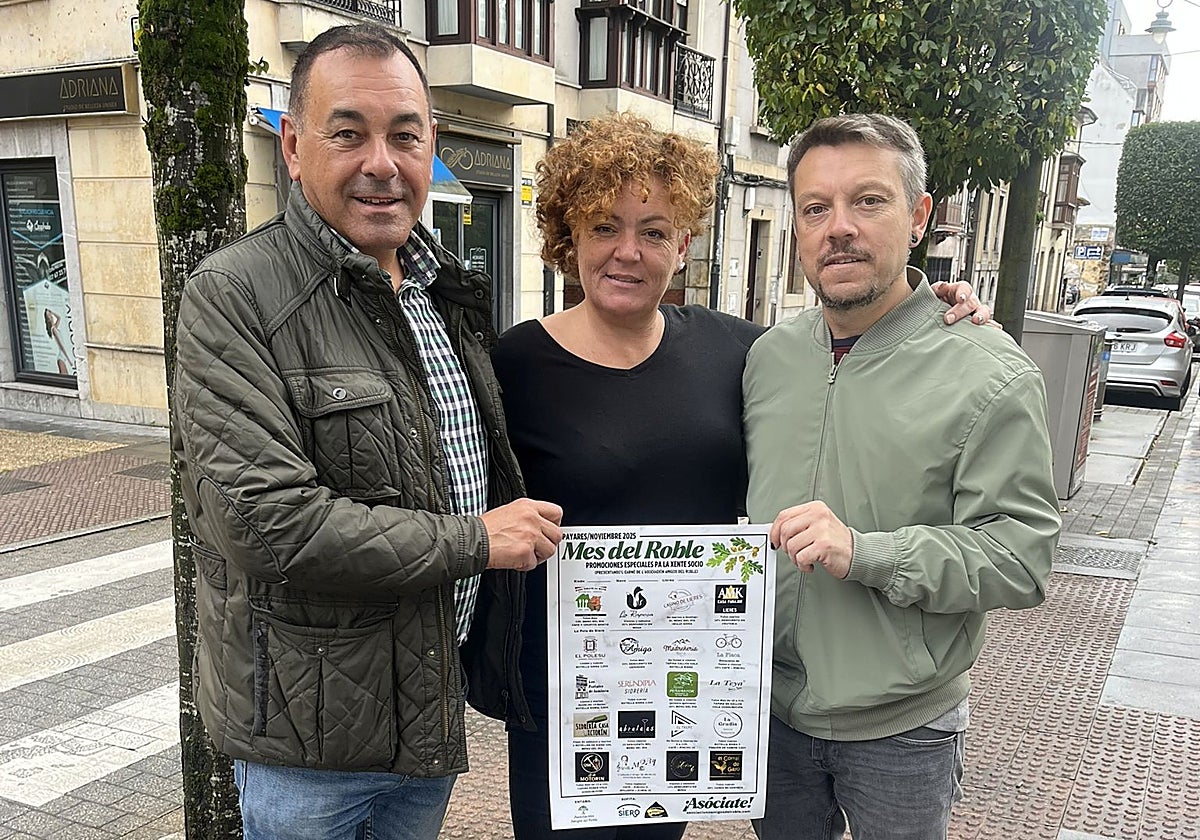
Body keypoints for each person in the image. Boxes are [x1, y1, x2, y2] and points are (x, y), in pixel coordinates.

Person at [461, 112, 993, 840]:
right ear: (566, 238)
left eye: (653, 230)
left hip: (689, 683)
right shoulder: (512, 367)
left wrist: (939, 306)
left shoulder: (739, 352)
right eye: (603, 227)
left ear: (681, 244)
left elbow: (847, 353)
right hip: (567, 693)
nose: (628, 252)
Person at [170, 24, 563, 840]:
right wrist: (473, 541)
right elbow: (266, 520)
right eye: (347, 133)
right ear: (293, 146)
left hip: (426, 712)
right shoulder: (237, 294)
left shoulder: (444, 291)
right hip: (307, 748)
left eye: (404, 136)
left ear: (432, 149)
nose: (381, 162)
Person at [743, 113, 1061, 840]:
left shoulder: (991, 373)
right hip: (770, 717)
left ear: (919, 217)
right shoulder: (768, 357)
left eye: (869, 201)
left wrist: (866, 551)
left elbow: (1022, 558)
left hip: (903, 731)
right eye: (816, 209)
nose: (839, 228)